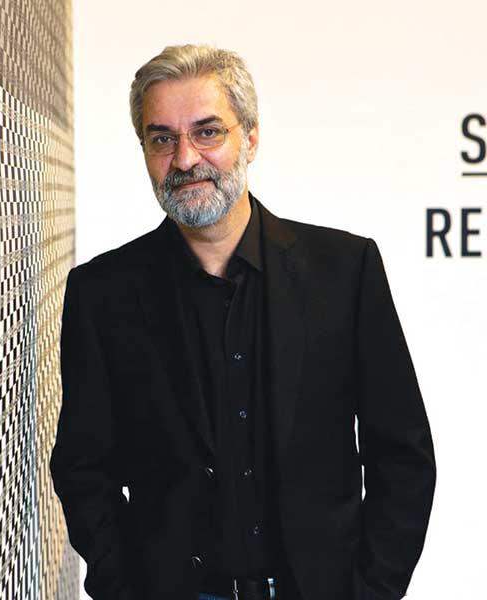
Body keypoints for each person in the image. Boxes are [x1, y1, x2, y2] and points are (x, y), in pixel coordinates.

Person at [49, 45, 435, 600]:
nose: (185, 159)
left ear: (250, 138)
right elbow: (84, 469)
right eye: (162, 139)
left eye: (207, 132)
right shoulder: (102, 294)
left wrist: (372, 591)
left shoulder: (345, 272)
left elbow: (403, 455)